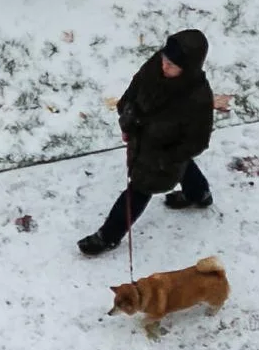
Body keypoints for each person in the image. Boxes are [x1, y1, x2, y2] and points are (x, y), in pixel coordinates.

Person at [78, 29, 215, 256]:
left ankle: (108, 236)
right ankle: (199, 194)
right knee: (184, 166)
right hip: (142, 137)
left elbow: (197, 142)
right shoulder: (156, 64)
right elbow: (135, 88)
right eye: (164, 59)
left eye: (172, 65)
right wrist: (126, 118)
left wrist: (165, 159)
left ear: (187, 68)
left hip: (163, 155)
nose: (164, 66)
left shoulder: (197, 99)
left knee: (139, 190)